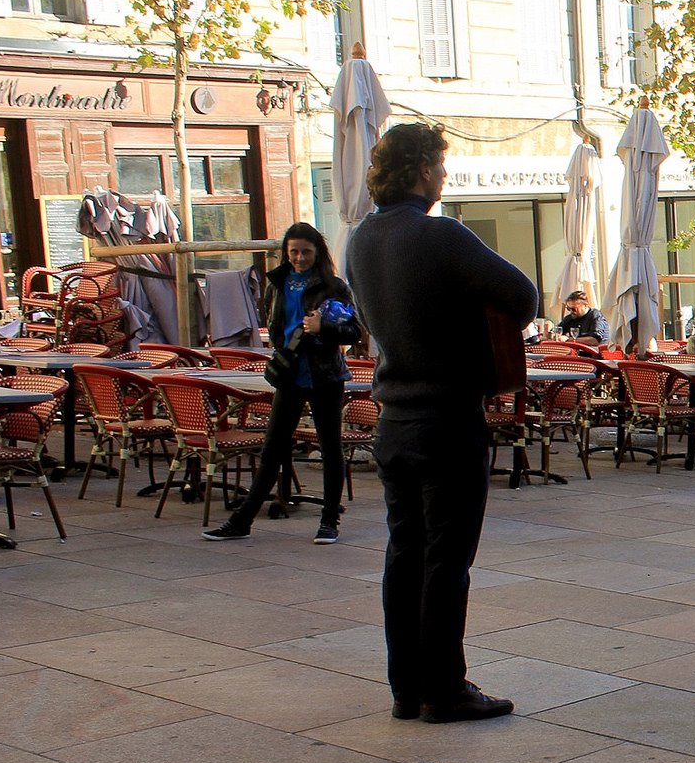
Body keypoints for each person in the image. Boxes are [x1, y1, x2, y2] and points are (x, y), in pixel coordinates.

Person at [346, 123, 539, 725]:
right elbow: (523, 295)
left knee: (403, 552)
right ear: (421, 170)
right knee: (447, 559)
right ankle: (446, 690)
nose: (444, 177)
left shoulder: (358, 242)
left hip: (393, 421)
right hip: (447, 417)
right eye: (440, 166)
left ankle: (407, 687)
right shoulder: (441, 235)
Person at [201, 223, 359, 545]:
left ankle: (329, 520)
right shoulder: (278, 283)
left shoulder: (334, 286)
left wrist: (323, 327)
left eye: (306, 252)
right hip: (289, 374)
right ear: (286, 253)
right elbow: (274, 328)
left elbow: (354, 331)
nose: (300, 258)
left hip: (325, 376)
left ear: (318, 254)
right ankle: (242, 520)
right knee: (272, 448)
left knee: (330, 448)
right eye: (294, 252)